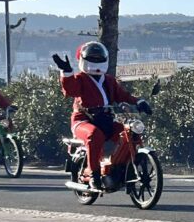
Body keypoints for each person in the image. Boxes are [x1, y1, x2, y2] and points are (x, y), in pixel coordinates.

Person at [52, 41, 152, 190]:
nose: (96, 60)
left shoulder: (109, 80)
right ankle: (94, 174)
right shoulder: (79, 78)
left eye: (99, 57)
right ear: (83, 58)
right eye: (93, 57)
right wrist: (66, 72)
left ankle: (119, 167)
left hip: (105, 119)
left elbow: (123, 95)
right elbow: (70, 91)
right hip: (83, 120)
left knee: (128, 132)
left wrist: (139, 102)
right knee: (94, 135)